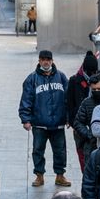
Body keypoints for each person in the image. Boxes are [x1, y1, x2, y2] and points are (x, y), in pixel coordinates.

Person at [19, 49, 71, 188]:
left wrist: (68, 117)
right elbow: (26, 100)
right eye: (43, 59)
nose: (46, 62)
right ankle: (39, 176)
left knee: (60, 151)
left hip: (58, 123)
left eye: (48, 59)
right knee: (38, 150)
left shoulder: (61, 77)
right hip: (39, 124)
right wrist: (25, 119)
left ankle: (60, 176)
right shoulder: (32, 79)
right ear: (39, 61)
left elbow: (68, 99)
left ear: (52, 61)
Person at [71, 72, 100, 171]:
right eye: (94, 89)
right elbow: (78, 123)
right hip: (92, 146)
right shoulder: (87, 103)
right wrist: (88, 134)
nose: (97, 92)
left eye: (99, 89)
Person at [66, 52, 100, 137]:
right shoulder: (74, 80)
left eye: (94, 72)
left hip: (97, 121)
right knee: (81, 149)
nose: (92, 75)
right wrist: (71, 121)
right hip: (80, 123)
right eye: (90, 72)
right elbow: (70, 103)